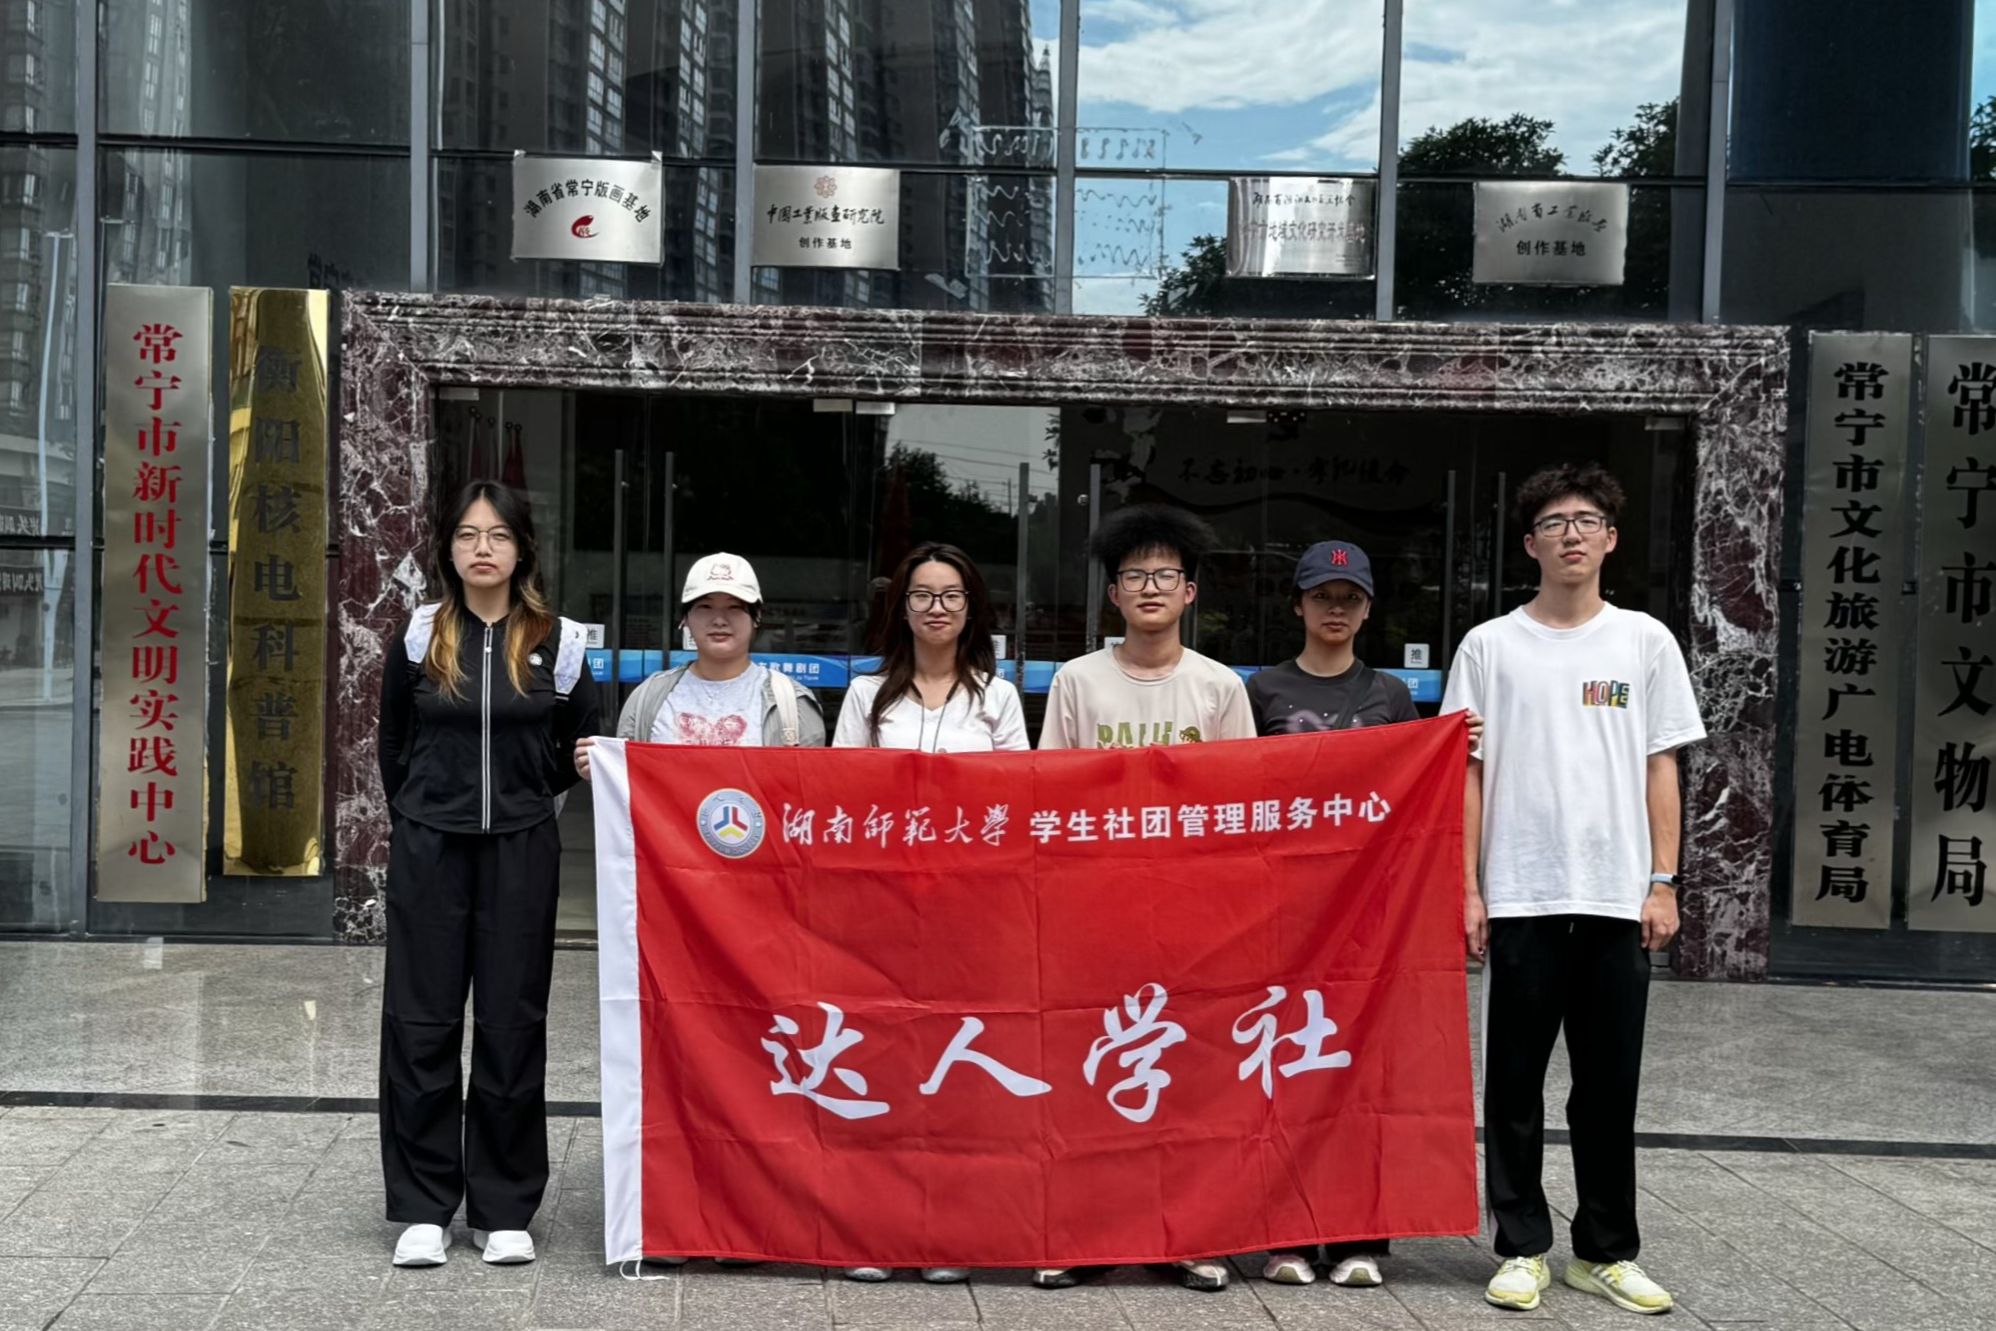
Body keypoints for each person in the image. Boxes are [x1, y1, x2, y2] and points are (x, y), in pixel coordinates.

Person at [1442, 463, 1704, 1317]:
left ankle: (1605, 1250)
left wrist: (1663, 881)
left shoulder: (1644, 641)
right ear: (1531, 544)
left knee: (1608, 1087)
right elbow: (1467, 774)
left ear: (1611, 538)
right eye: (1554, 523)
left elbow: (1662, 766)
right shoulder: (1490, 646)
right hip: (1522, 895)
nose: (1572, 534)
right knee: (1513, 1086)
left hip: (1617, 898)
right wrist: (1469, 889)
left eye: (1587, 520)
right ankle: (1521, 1245)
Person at [376, 481, 598, 1268]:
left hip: (520, 850)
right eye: (468, 534)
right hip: (430, 851)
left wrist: (526, 794)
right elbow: (393, 743)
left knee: (511, 1022)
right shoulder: (419, 635)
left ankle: (503, 1206)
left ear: (521, 548)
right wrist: (422, 814)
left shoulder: (559, 641)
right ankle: (423, 1206)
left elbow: (577, 744)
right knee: (422, 1022)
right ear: (448, 548)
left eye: (498, 535)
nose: (482, 548)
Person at [1035, 504, 1255, 1294]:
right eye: (1136, 575)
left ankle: (1188, 1235)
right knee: (1094, 1073)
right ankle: (1085, 1234)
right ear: (1114, 594)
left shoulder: (1219, 687)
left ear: (1190, 591)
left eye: (1166, 574)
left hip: (1194, 916)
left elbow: (1242, 807)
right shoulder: (1077, 681)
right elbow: (1049, 795)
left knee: (1187, 1076)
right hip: (1096, 911)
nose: (1151, 587)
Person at [832, 542, 1028, 1283]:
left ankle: (948, 1232)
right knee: (880, 1067)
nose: (936, 607)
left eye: (951, 595)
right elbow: (842, 800)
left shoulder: (998, 699)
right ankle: (874, 1232)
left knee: (956, 1078)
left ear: (971, 608)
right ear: (901, 606)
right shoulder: (866, 697)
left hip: (971, 915)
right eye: (922, 594)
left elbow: (1018, 801)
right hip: (881, 912)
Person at [1245, 539, 1412, 1290]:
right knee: (1281, 1068)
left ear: (1368, 609)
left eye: (1350, 598)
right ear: (1298, 605)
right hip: (1282, 907)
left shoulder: (1392, 695)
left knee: (1357, 1071)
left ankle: (1358, 1237)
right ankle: (1282, 1233)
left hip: (1365, 912)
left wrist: (1452, 743)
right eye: (1322, 596)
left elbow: (1411, 793)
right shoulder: (1263, 691)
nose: (1335, 609)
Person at [574, 551, 827, 775]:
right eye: (705, 606)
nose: (719, 620)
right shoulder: (648, 698)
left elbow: (809, 792)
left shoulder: (791, 703)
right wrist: (601, 768)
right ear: (685, 618)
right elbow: (628, 787)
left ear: (756, 617)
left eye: (734, 607)